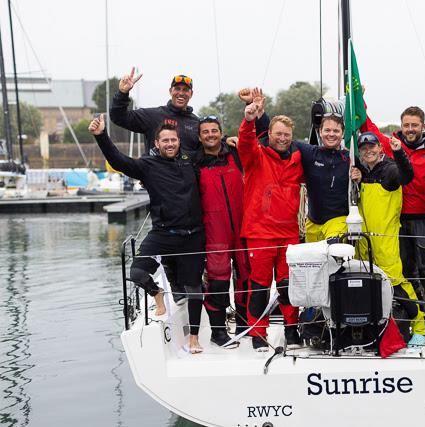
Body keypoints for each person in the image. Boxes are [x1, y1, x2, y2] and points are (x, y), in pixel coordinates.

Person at [88, 115, 206, 354]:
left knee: (194, 289)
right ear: (157, 143)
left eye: (173, 140)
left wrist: (232, 140)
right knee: (137, 273)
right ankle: (157, 293)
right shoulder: (147, 166)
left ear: (178, 142)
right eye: (165, 140)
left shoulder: (191, 160)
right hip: (163, 234)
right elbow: (118, 161)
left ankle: (194, 337)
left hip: (193, 235)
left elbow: (215, 149)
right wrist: (101, 135)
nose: (170, 144)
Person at [360, 103, 425, 342]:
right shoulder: (392, 145)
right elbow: (366, 125)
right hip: (399, 221)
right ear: (400, 126)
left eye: (415, 125)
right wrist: (359, 100)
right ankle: (415, 322)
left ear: (423, 126)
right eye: (406, 125)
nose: (410, 129)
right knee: (404, 274)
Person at [237, 94, 304, 351]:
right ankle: (258, 333)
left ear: (291, 135)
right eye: (278, 133)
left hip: (288, 234)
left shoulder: (298, 161)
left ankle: (292, 330)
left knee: (289, 286)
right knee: (260, 286)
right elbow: (245, 142)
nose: (283, 138)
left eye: (287, 134)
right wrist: (248, 120)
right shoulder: (255, 156)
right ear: (270, 134)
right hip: (260, 234)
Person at [350, 132, 425, 348]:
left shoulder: (391, 169)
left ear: (380, 148)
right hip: (364, 240)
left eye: (372, 146)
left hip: (387, 239)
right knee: (366, 283)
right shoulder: (361, 171)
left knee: (397, 283)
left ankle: (420, 325)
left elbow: (407, 175)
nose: (368, 151)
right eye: (364, 148)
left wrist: (399, 152)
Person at [195, 115, 250, 348]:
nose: (210, 135)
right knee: (217, 283)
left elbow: (261, 139)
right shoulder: (195, 164)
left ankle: (245, 326)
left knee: (246, 279)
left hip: (242, 228)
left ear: (221, 132)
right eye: (205, 132)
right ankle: (218, 333)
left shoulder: (236, 154)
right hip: (214, 232)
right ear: (199, 137)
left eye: (214, 131)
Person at [110, 68, 200, 155]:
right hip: (156, 170)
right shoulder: (153, 116)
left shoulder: (197, 123)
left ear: (191, 94)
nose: (181, 93)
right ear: (170, 91)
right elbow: (118, 117)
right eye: (177, 89)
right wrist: (122, 93)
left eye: (185, 90)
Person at [297, 114, 350, 242]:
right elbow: (280, 139)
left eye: (336, 131)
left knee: (333, 255)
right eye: (327, 130)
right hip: (313, 221)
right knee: (313, 262)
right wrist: (259, 114)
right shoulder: (310, 153)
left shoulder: (350, 158)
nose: (331, 134)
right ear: (320, 132)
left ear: (343, 134)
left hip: (337, 220)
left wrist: (358, 175)